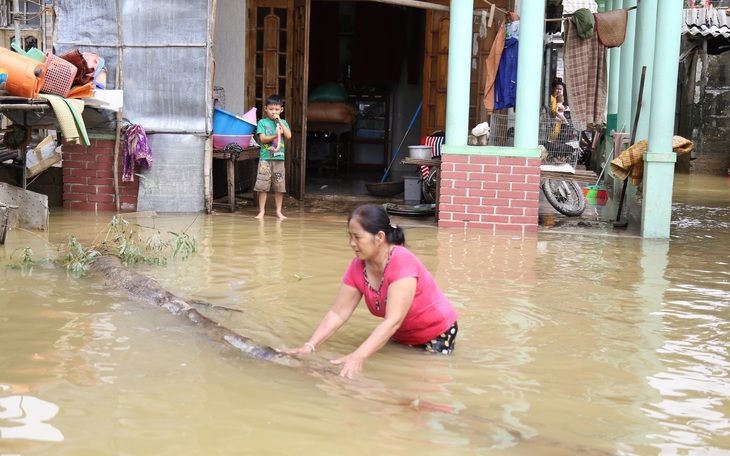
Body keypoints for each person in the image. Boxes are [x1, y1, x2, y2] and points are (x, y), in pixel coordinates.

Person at [278, 204, 459, 378]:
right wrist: (309, 346)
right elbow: (338, 313)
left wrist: (358, 356)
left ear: (379, 237)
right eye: (350, 236)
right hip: (402, 335)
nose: (352, 243)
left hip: (436, 333)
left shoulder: (402, 262)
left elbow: (393, 321)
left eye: (358, 237)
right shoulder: (358, 265)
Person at [254, 94, 291, 220]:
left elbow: (288, 135)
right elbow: (263, 139)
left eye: (276, 109)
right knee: (262, 186)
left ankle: (279, 212)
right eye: (271, 109)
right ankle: (262, 211)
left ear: (281, 110)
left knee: (279, 187)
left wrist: (279, 121)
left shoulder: (283, 122)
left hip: (279, 159)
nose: (273, 112)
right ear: (265, 108)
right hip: (265, 159)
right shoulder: (262, 122)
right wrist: (275, 136)